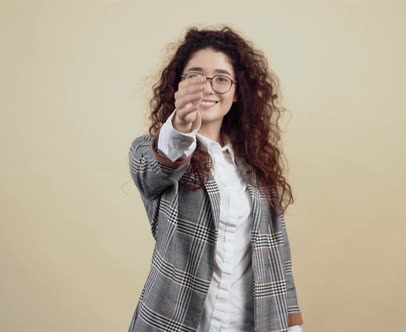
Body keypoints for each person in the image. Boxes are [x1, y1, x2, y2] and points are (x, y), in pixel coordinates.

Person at [128, 26, 303, 331]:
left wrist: (293, 325)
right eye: (195, 76)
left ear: (237, 93)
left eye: (221, 79)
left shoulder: (256, 166)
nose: (207, 88)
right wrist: (180, 126)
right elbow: (155, 170)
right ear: (178, 85)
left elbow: (278, 257)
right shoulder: (157, 151)